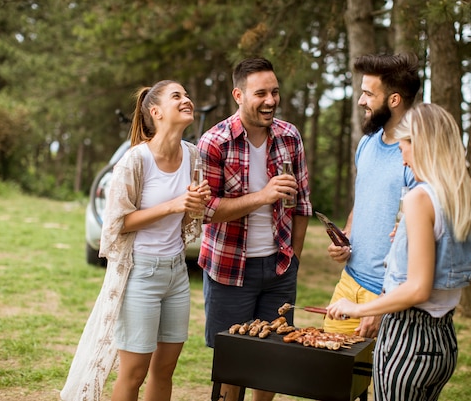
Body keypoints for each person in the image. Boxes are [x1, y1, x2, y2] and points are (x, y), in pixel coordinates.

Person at [326, 103, 471, 400]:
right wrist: (421, 251)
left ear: (421, 144)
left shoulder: (420, 198)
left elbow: (417, 289)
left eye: (404, 145)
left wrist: (357, 309)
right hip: (444, 344)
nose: (403, 159)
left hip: (405, 343)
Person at [60, 80, 211, 401]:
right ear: (155, 112)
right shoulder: (134, 160)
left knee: (164, 370)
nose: (187, 100)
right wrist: (173, 205)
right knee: (134, 372)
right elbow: (117, 223)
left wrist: (196, 206)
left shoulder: (193, 156)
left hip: (177, 274)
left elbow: (190, 215)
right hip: (140, 274)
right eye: (177, 96)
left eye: (186, 95)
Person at [197, 57, 312, 401]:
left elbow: (302, 205)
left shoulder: (289, 136)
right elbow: (207, 210)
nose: (271, 100)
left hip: (279, 268)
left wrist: (294, 261)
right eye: (261, 93)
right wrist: (262, 196)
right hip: (230, 270)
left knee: (272, 361)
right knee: (232, 366)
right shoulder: (215, 142)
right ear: (238, 94)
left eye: (274, 92)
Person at [323, 52, 421, 338]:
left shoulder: (416, 156)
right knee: (331, 376)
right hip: (349, 282)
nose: (361, 101)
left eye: (368, 93)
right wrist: (347, 237)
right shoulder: (366, 144)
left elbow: (419, 236)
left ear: (394, 100)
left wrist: (382, 304)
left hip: (387, 295)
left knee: (383, 381)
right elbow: (363, 201)